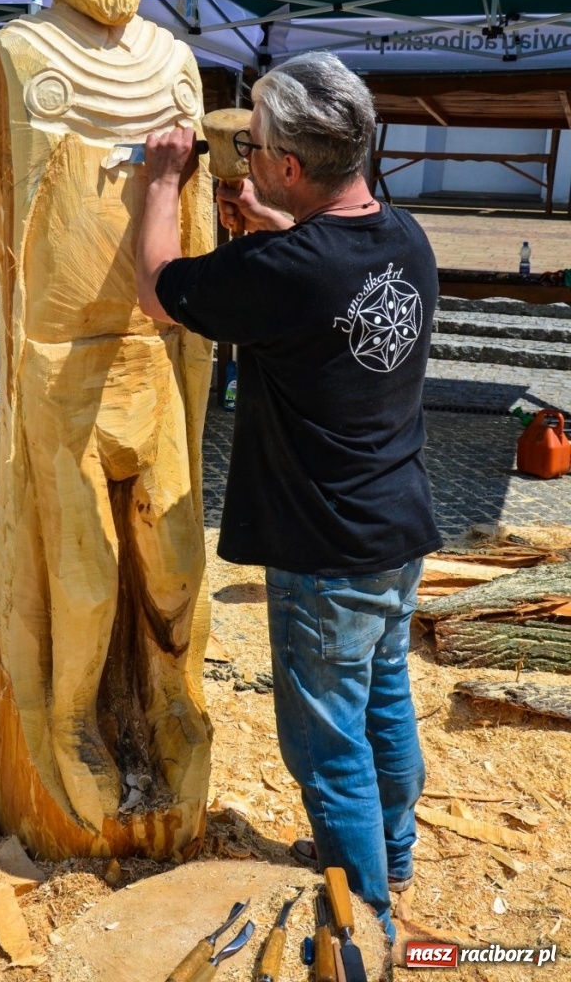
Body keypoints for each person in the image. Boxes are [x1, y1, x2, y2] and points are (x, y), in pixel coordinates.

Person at [136, 51, 442, 940]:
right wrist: (275, 227)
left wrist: (162, 183)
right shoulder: (404, 236)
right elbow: (325, 277)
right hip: (396, 528)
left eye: (257, 146)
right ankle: (393, 854)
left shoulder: (287, 270)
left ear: (292, 167)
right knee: (383, 702)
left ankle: (364, 915)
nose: (246, 156)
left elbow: (157, 290)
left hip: (324, 549)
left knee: (327, 744)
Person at [0, 0, 213, 851]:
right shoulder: (21, 55)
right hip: (61, 363)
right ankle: (68, 719)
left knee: (175, 559)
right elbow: (16, 241)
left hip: (152, 353)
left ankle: (171, 701)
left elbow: (196, 221)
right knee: (81, 574)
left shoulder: (174, 63)